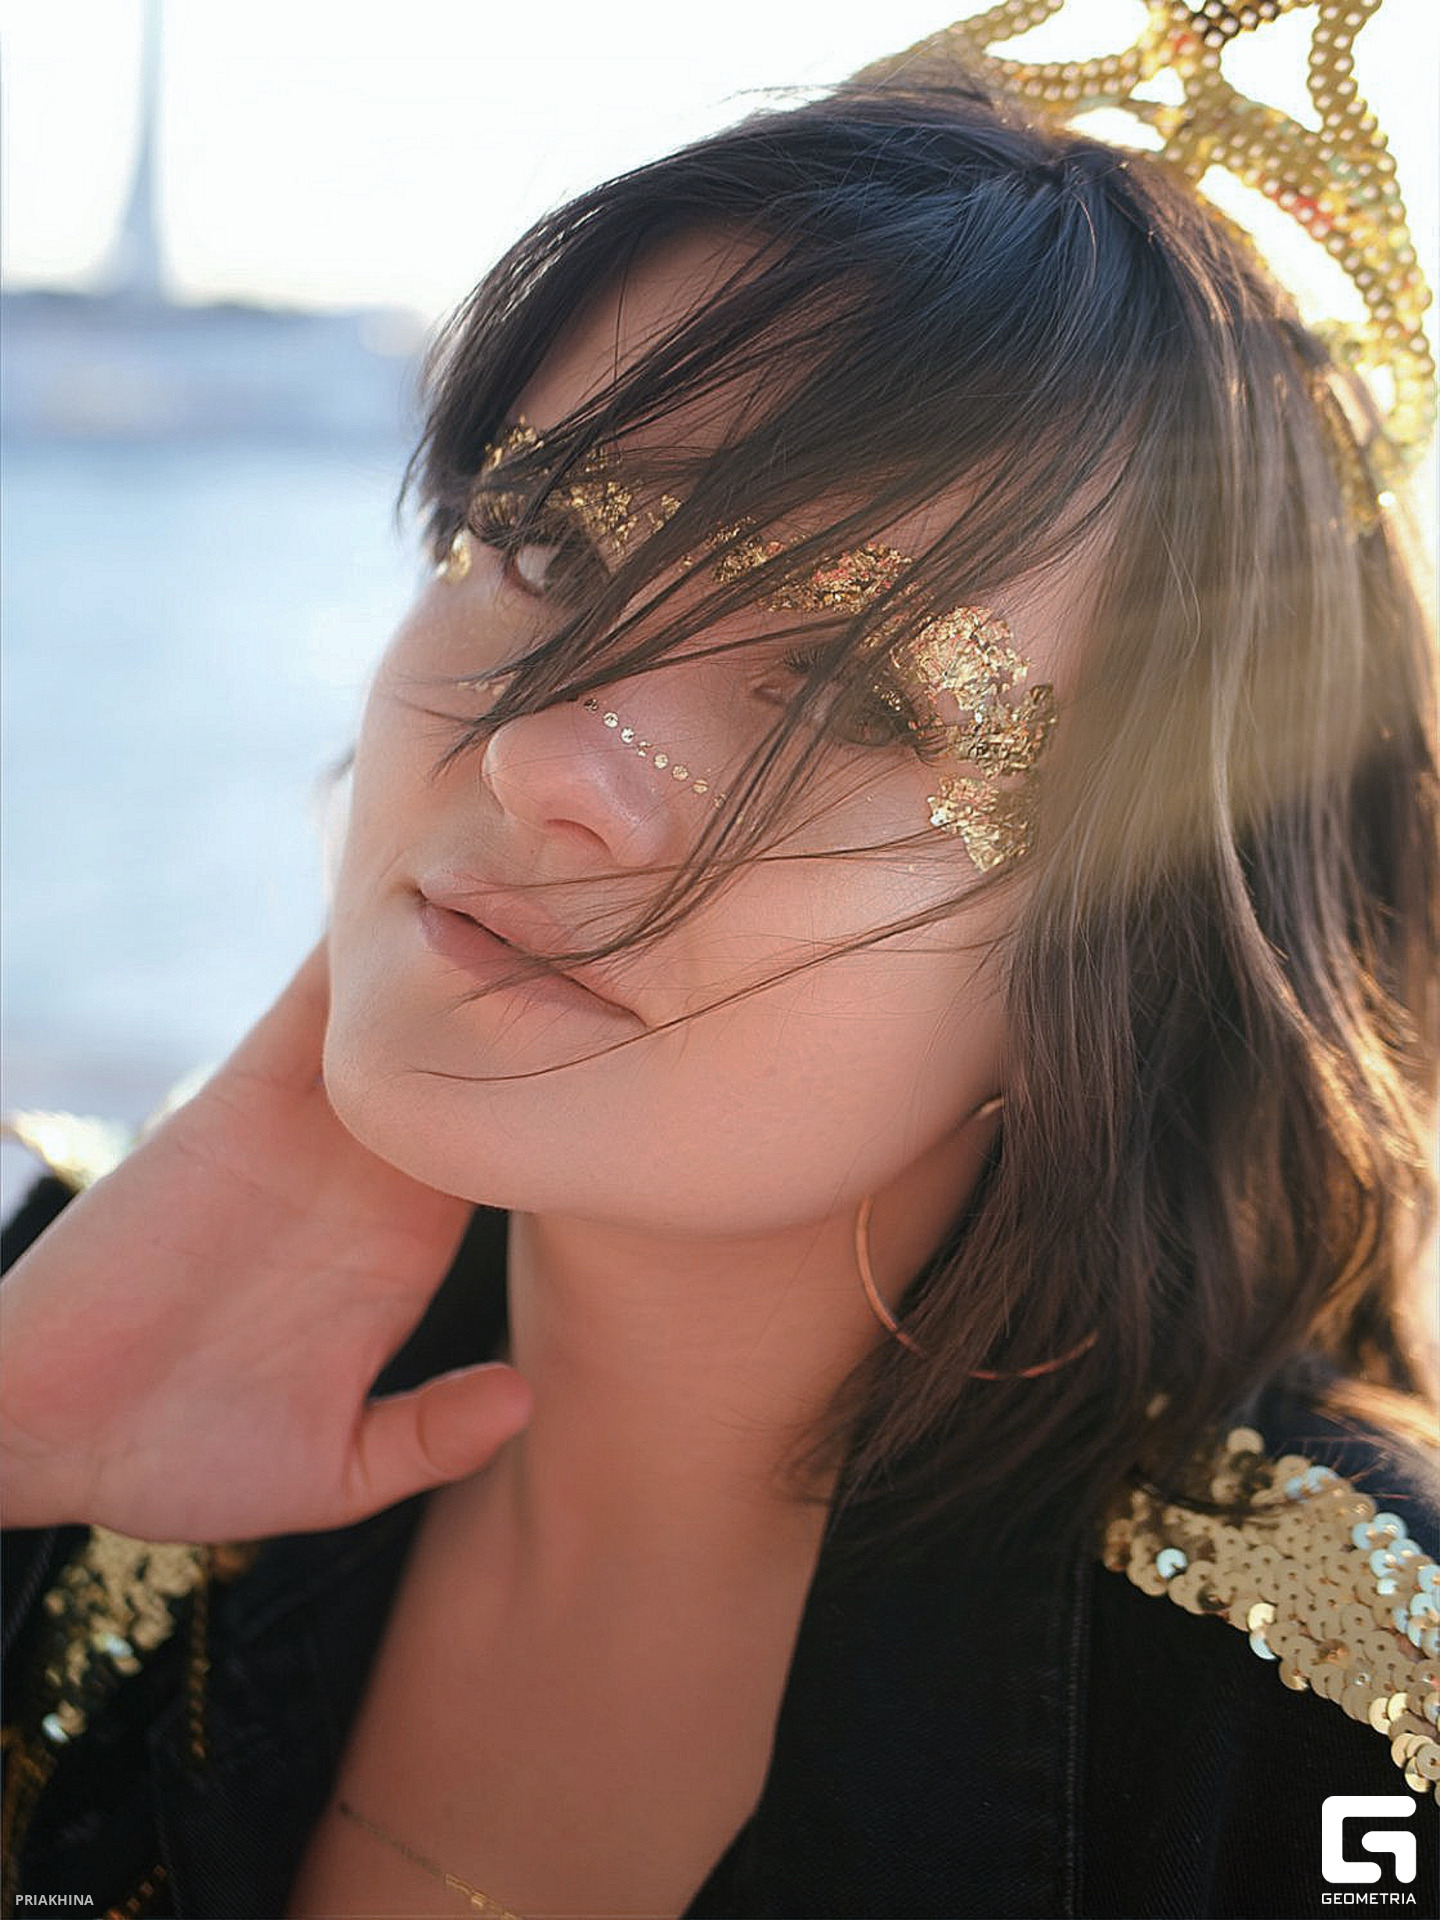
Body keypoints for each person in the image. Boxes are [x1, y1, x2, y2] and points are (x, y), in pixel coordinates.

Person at [2, 29, 1437, 1920]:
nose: (547, 758)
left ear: (1131, 928)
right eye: (543, 543)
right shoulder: (67, 1354)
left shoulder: (1336, 1745)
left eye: (855, 693)